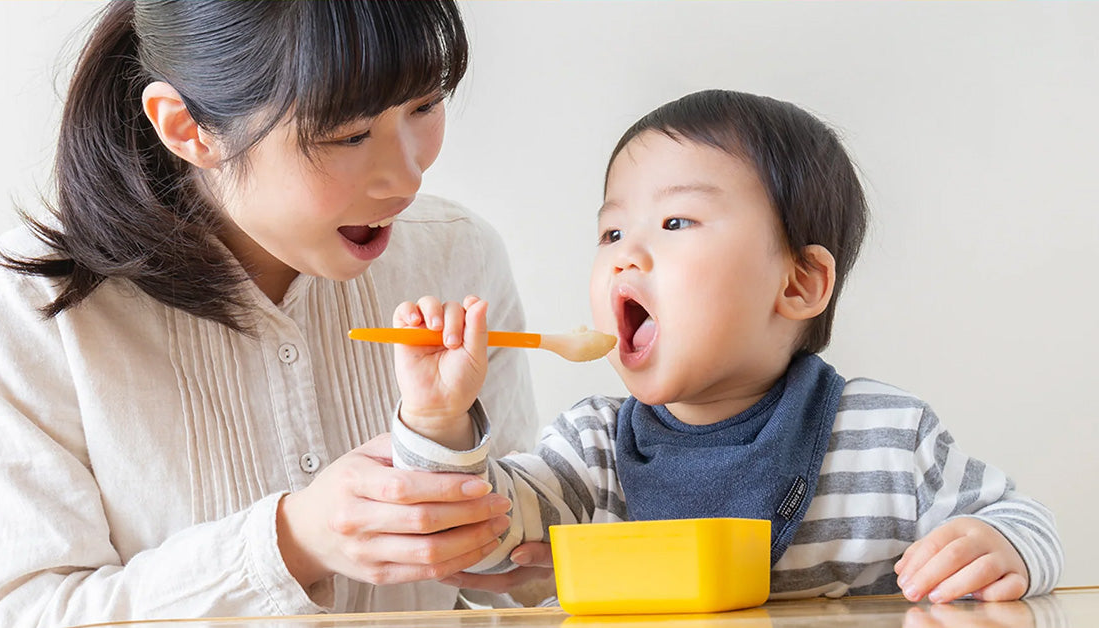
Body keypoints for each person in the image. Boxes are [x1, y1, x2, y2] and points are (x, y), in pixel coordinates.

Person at [0, 1, 552, 625]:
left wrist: (532, 539)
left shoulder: (458, 253)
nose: (406, 178)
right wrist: (292, 542)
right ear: (186, 128)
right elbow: (18, 614)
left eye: (424, 105)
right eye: (347, 135)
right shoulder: (36, 304)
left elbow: (516, 585)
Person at [388, 89, 1064, 602]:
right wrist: (439, 420)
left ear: (798, 283)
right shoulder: (593, 450)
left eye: (675, 221)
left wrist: (1002, 544)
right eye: (612, 233)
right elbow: (478, 546)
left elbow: (1022, 519)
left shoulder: (885, 437)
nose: (626, 258)